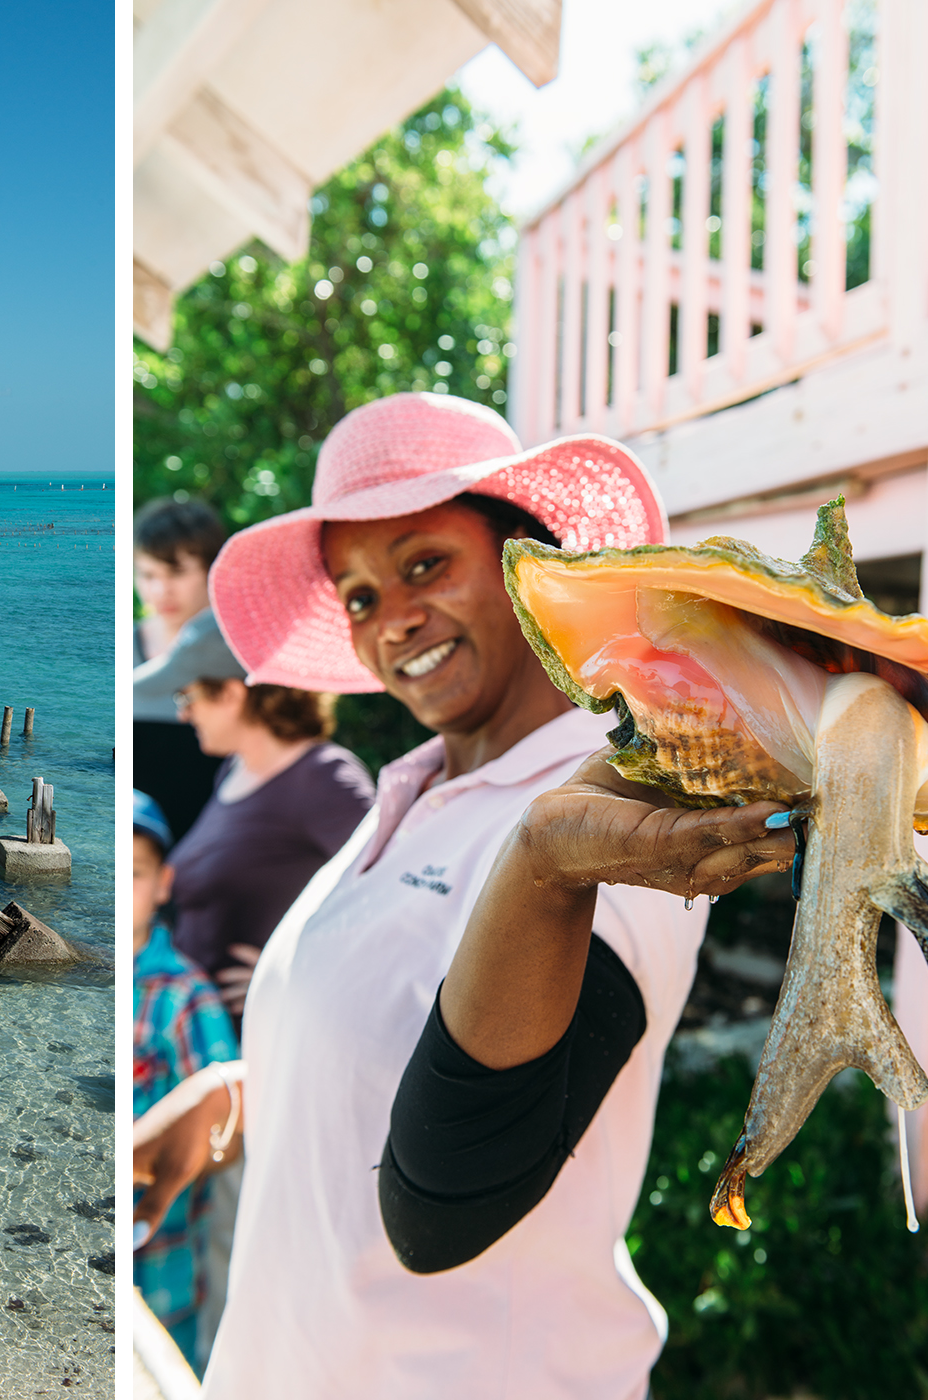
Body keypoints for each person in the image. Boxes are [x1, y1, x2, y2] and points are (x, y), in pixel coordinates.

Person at [131, 394, 796, 1400]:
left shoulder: (609, 807)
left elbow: (447, 1198)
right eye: (356, 595)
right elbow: (381, 1039)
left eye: (423, 564)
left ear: (531, 567)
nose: (389, 617)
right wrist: (234, 1101)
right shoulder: (412, 785)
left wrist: (537, 868)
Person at [135, 610, 374, 1018]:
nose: (183, 715)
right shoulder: (233, 770)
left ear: (231, 694)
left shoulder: (323, 778)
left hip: (266, 1032)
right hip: (201, 1027)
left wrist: (302, 971)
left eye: (188, 698)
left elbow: (395, 892)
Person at [132, 789, 239, 1374]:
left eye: (138, 873)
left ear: (164, 882)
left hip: (166, 1261)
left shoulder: (186, 994)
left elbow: (232, 1114)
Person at [134, 497, 228, 841]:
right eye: (147, 574)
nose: (161, 590)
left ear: (211, 569)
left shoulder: (238, 658)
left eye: (177, 572)